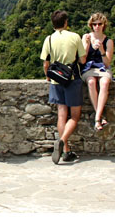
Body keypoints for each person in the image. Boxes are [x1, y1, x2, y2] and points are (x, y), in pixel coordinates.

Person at [39, 10, 87, 164]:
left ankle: (65, 150)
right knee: (74, 116)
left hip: (56, 81)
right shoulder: (74, 37)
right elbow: (83, 60)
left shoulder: (49, 39)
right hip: (72, 79)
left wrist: (48, 76)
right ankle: (62, 141)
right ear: (65, 22)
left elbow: (46, 63)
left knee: (61, 115)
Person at [82, 12, 115, 132]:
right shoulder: (86, 37)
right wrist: (87, 45)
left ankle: (97, 117)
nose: (97, 26)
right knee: (91, 82)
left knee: (105, 83)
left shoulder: (108, 41)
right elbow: (82, 59)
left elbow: (107, 63)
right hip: (89, 67)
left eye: (99, 24)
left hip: (102, 67)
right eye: (94, 24)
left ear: (103, 25)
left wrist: (101, 49)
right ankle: (99, 117)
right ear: (91, 25)